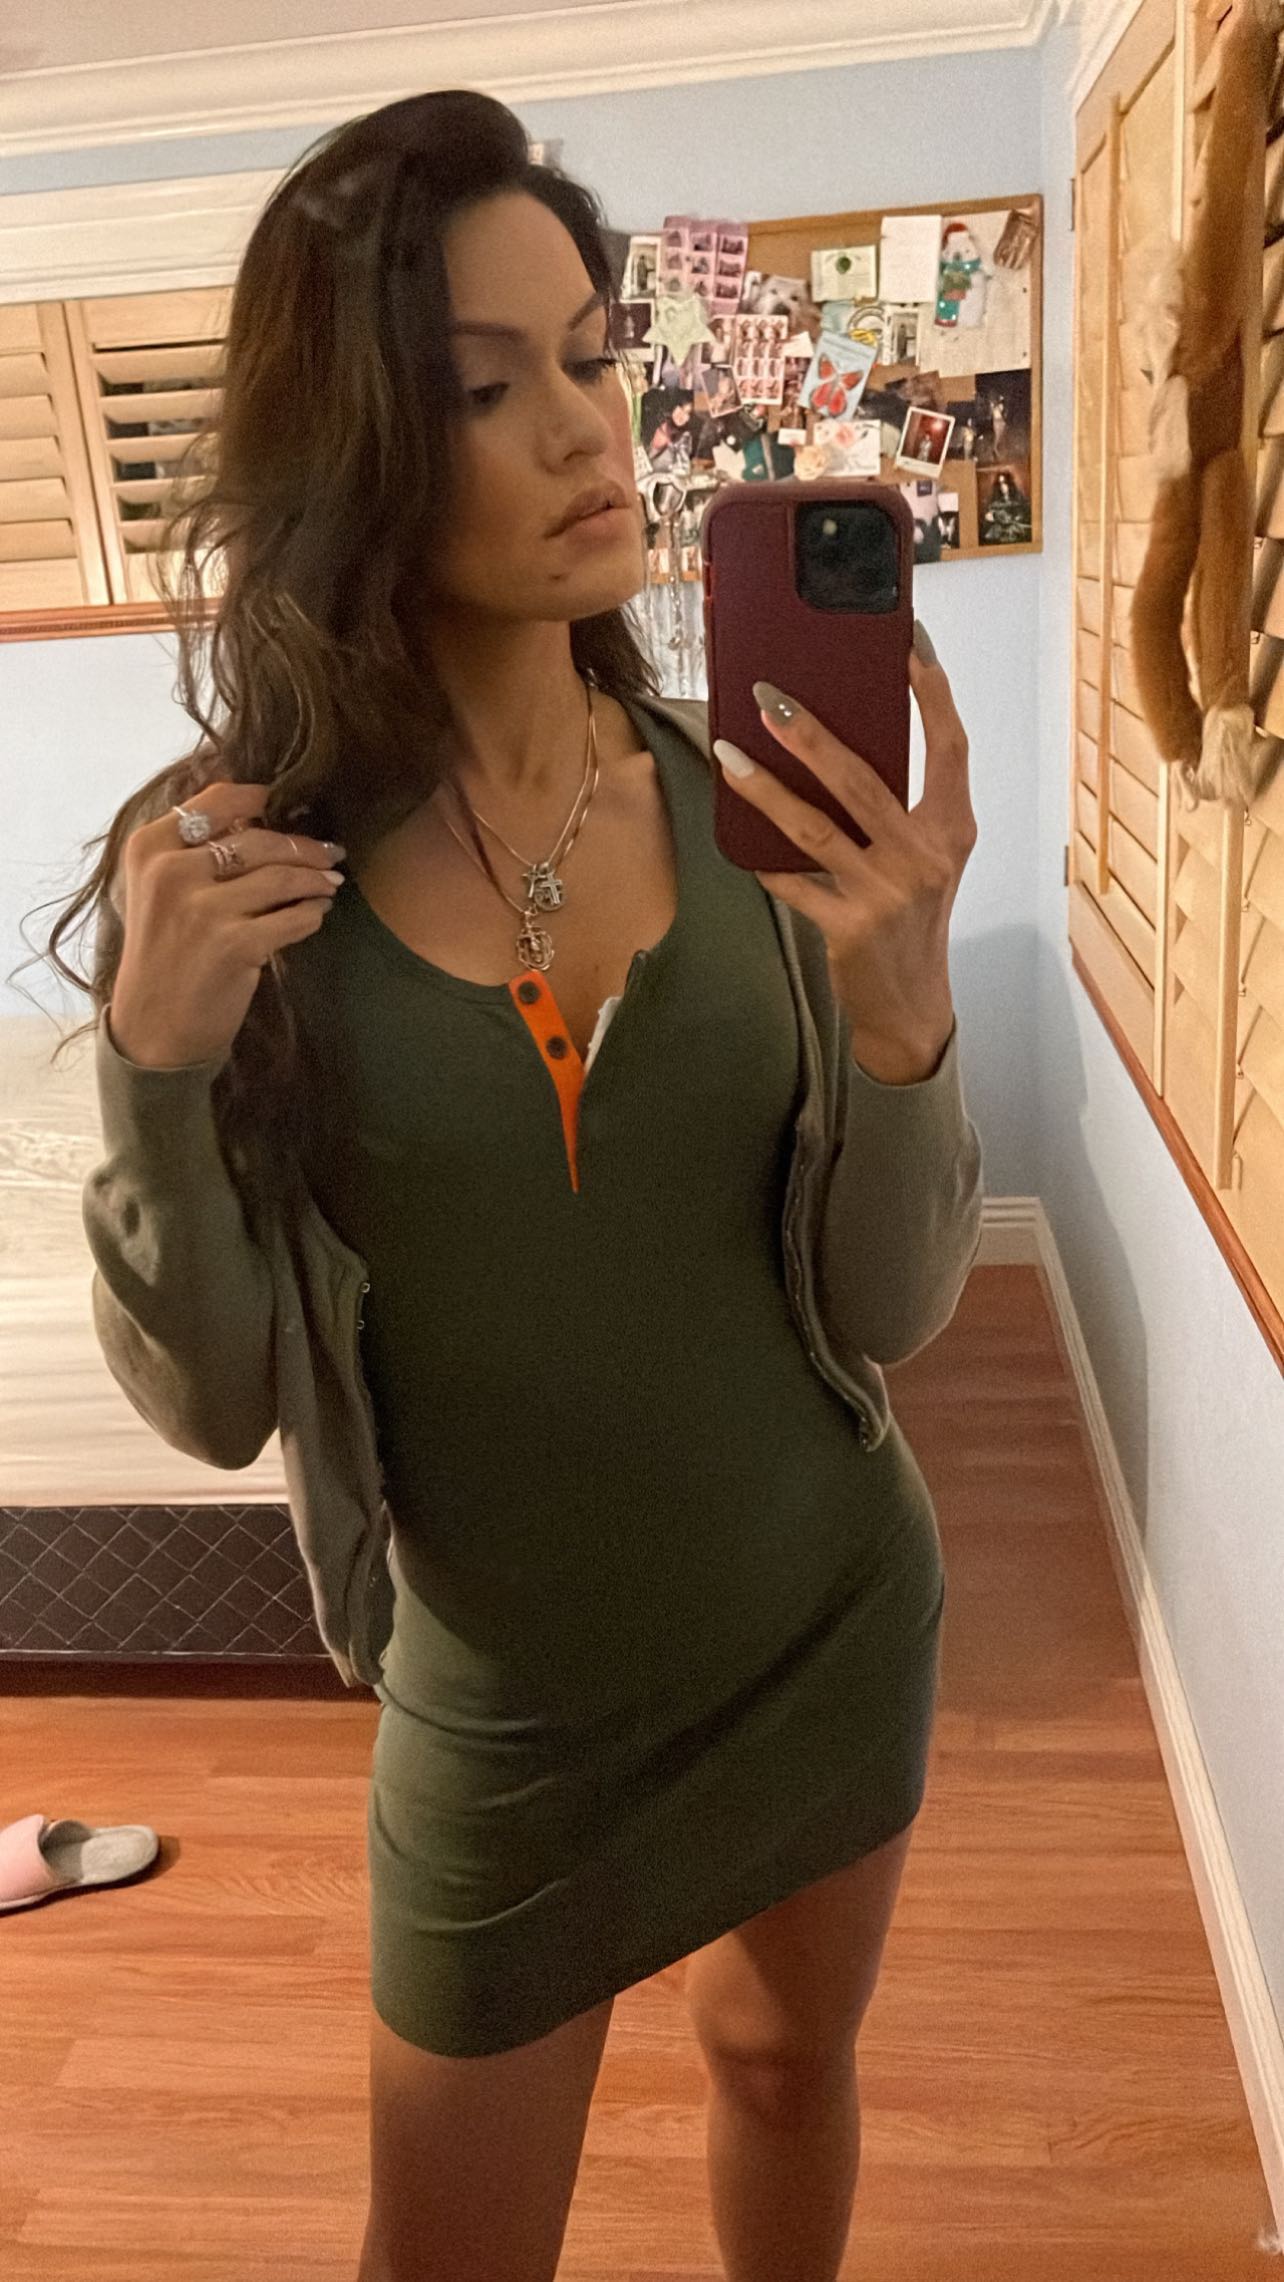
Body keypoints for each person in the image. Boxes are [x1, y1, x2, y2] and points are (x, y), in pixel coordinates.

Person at [36, 88, 982, 2282]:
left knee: (785, 2069)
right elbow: (216, 1403)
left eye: (590, 355)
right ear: (360, 448)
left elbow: (885, 1313)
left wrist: (909, 1020)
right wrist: (155, 1072)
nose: (584, 429)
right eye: (485, 387)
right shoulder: (243, 876)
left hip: (828, 1617)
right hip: (502, 1720)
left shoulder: (758, 822)